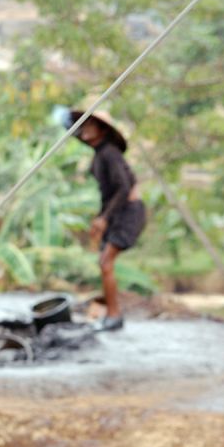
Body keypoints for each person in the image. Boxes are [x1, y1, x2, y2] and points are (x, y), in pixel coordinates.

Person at [69, 110, 146, 331]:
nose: (85, 128)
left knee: (105, 262)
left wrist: (105, 218)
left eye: (91, 124)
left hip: (129, 211)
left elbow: (123, 188)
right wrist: (101, 219)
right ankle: (110, 314)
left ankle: (114, 316)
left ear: (103, 130)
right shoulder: (100, 155)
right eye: (84, 124)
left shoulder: (109, 153)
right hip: (119, 212)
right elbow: (109, 194)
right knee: (104, 262)